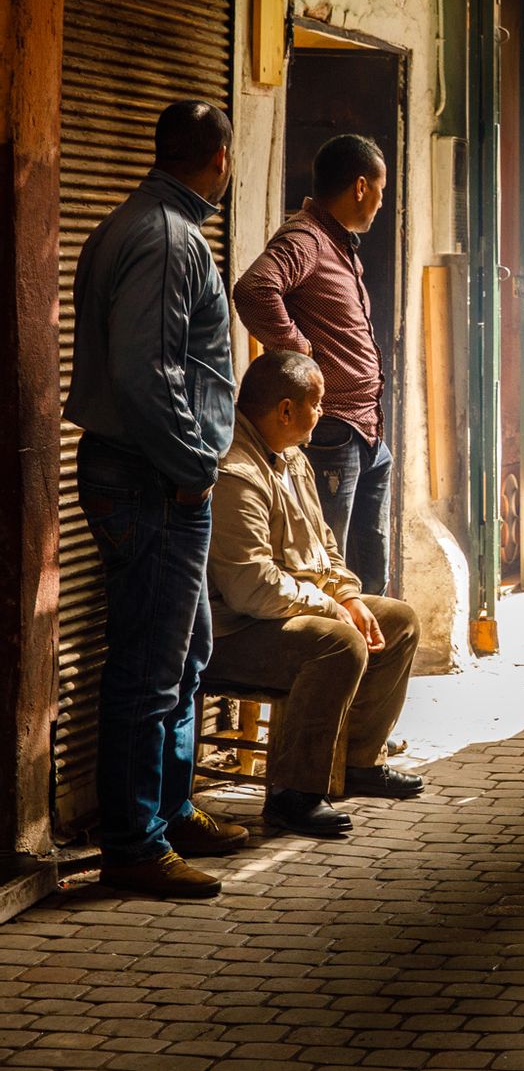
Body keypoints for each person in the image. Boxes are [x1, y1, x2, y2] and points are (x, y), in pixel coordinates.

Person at [66, 100, 242, 899]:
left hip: (149, 475)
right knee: (147, 667)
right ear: (220, 159)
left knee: (183, 650)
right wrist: (190, 467)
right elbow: (146, 375)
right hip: (153, 479)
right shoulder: (171, 240)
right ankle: (134, 842)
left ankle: (170, 810)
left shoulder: (133, 223)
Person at [205, 351, 424, 838]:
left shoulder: (292, 457)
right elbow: (252, 590)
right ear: (286, 409)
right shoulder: (235, 473)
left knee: (398, 620)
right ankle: (294, 794)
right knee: (338, 642)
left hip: (287, 609)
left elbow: (325, 544)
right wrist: (332, 609)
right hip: (237, 632)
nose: (322, 412)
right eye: (317, 403)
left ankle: (358, 762)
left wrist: (348, 597)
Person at [233, 135, 393, 594]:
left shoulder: (339, 244)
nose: (382, 203)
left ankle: (373, 660)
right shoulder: (306, 238)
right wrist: (299, 351)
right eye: (381, 191)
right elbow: (253, 289)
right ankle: (335, 659)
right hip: (332, 432)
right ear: (360, 186)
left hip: (367, 432)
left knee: (368, 571)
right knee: (327, 566)